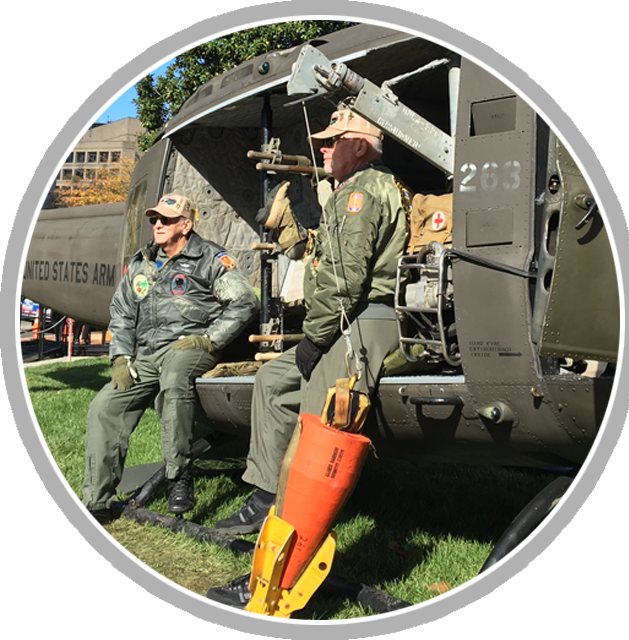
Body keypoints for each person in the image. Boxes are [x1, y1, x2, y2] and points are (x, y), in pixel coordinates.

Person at [213, 108, 408, 540]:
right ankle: (266, 495)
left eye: (333, 140)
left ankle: (294, 530)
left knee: (317, 410)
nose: (323, 146)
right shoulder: (350, 190)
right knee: (272, 381)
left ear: (358, 146)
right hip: (343, 315)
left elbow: (346, 281)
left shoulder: (363, 194)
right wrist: (297, 239)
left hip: (367, 315)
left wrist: (314, 342)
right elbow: (330, 260)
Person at [54, 194, 258, 533]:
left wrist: (210, 338)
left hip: (189, 346)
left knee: (176, 378)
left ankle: (180, 476)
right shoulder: (143, 263)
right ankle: (97, 504)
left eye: (166, 219)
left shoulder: (210, 257)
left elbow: (244, 301)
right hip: (147, 354)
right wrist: (120, 356)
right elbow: (120, 313)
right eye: (154, 220)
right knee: (104, 406)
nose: (157, 225)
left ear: (186, 225)